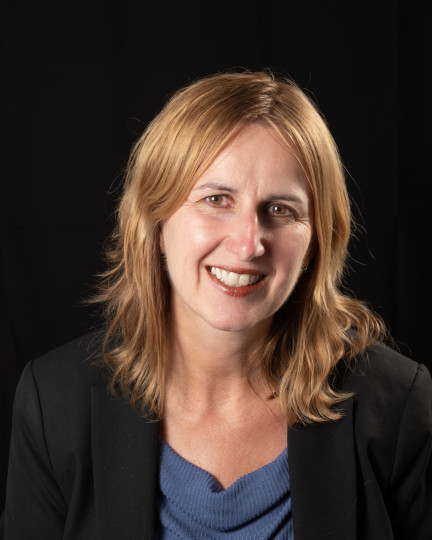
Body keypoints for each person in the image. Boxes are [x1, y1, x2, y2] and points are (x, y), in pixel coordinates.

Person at [3, 71, 432, 540]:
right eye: (216, 199)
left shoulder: (397, 404)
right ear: (156, 221)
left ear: (316, 243)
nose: (249, 244)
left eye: (281, 210)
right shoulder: (55, 404)